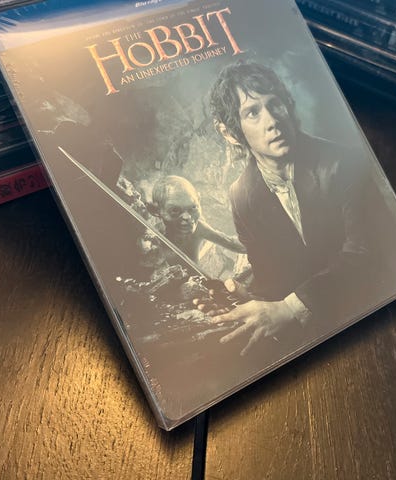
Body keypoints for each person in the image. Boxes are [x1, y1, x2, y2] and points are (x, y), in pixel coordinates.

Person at [199, 60, 377, 356]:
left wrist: (290, 307)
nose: (272, 121)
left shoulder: (343, 162)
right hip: (313, 338)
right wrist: (244, 299)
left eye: (274, 104)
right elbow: (271, 275)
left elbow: (364, 252)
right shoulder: (240, 196)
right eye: (252, 112)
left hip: (367, 314)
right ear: (230, 133)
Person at [149, 175, 245, 263]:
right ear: (155, 211)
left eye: (193, 207)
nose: (187, 217)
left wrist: (253, 243)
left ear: (199, 200)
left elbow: (231, 243)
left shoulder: (199, 228)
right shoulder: (152, 238)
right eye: (175, 210)